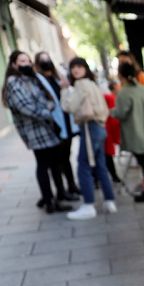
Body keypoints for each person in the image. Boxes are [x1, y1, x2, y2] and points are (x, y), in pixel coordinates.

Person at [2, 50, 71, 213]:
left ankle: (57, 196)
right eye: (22, 61)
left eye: (27, 61)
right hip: (34, 131)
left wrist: (48, 107)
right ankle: (49, 201)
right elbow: (26, 107)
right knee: (44, 164)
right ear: (14, 64)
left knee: (54, 164)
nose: (26, 64)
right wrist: (47, 111)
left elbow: (48, 100)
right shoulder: (14, 82)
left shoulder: (31, 79)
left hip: (46, 128)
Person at [60, 57, 117, 220]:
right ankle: (109, 200)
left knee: (83, 165)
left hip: (89, 127)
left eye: (79, 66)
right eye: (73, 67)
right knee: (100, 165)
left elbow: (68, 107)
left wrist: (64, 90)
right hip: (100, 127)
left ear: (85, 68)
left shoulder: (81, 85)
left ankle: (88, 205)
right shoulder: (93, 84)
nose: (76, 70)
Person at [34, 51, 80, 199]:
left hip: (67, 121)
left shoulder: (56, 77)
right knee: (58, 159)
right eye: (42, 59)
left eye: (47, 58)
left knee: (67, 156)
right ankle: (62, 191)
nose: (45, 61)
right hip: (55, 124)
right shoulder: (38, 80)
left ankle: (72, 185)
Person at [111, 62, 144, 202]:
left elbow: (120, 113)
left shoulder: (124, 92)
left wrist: (111, 111)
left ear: (120, 75)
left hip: (137, 132)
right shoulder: (143, 89)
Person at [102, 79, 122, 183]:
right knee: (107, 153)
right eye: (118, 85)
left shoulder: (114, 97)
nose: (120, 87)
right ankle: (113, 175)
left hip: (110, 128)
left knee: (107, 153)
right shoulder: (110, 98)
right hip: (108, 128)